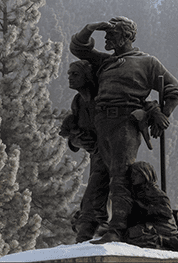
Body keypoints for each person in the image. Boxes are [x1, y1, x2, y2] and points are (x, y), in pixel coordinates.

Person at [70, 16, 178, 244]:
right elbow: (78, 48)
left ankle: (117, 228)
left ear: (126, 36)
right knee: (98, 177)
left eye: (111, 34)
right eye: (106, 35)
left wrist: (162, 114)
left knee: (120, 175)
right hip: (102, 124)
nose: (107, 38)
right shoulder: (105, 61)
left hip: (126, 122)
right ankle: (85, 231)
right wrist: (91, 27)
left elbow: (173, 88)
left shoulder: (146, 62)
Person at [59, 60, 110, 243]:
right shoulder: (78, 102)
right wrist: (76, 139)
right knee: (97, 197)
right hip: (95, 158)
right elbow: (73, 136)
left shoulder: (103, 99)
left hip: (110, 157)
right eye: (69, 74)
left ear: (87, 77)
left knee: (93, 197)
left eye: (75, 74)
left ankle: (83, 239)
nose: (70, 78)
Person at [125, 162, 178, 256]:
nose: (133, 177)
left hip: (163, 226)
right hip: (150, 224)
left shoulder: (154, 192)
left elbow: (167, 212)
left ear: (145, 175)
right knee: (130, 234)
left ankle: (166, 241)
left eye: (136, 174)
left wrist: (146, 208)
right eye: (132, 174)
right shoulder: (138, 191)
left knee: (134, 234)